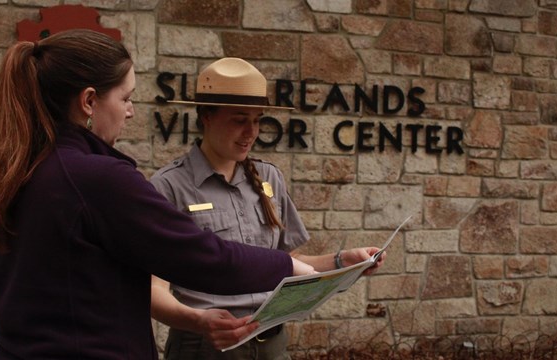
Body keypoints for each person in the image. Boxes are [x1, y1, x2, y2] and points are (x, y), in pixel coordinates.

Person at [0, 30, 315, 360]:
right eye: (125, 98)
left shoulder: (15, 173)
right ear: (89, 101)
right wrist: (286, 265)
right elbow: (204, 258)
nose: (131, 112)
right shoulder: (97, 178)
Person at [150, 57, 387, 360]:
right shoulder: (169, 186)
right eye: (239, 119)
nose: (251, 131)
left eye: (257, 119)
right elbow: (152, 289)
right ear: (206, 116)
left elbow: (287, 263)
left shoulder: (268, 177)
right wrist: (198, 321)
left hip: (272, 345)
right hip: (207, 347)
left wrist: (344, 261)